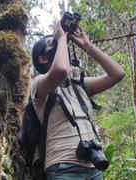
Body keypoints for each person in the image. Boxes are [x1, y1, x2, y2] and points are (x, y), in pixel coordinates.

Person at [31, 21, 125, 180]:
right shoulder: (38, 84)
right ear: (42, 59)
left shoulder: (79, 85)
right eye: (50, 43)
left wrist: (87, 45)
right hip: (63, 168)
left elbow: (117, 74)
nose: (58, 43)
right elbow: (61, 70)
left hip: (93, 166)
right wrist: (60, 39)